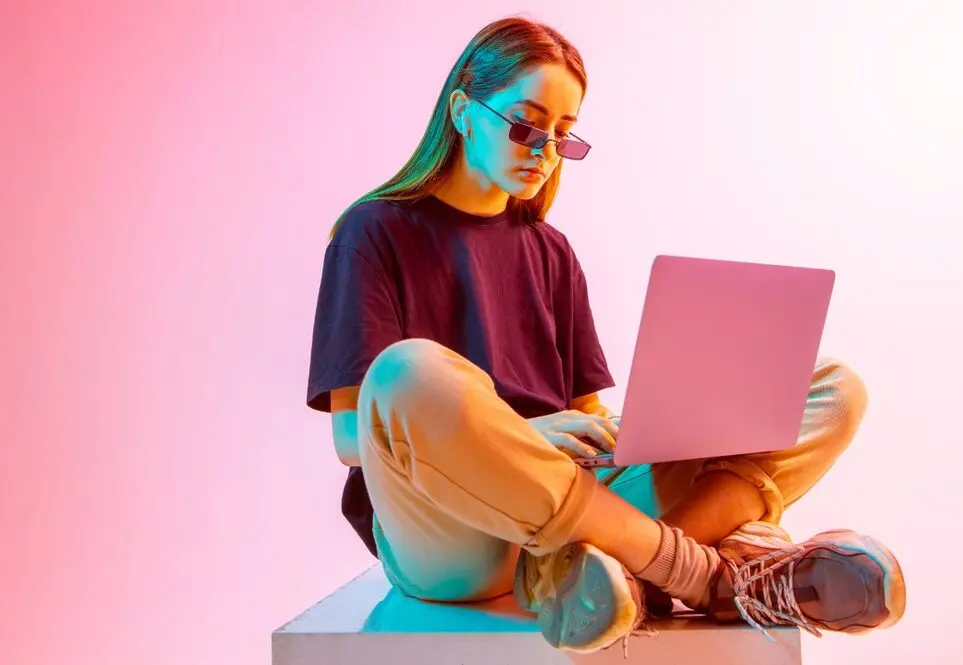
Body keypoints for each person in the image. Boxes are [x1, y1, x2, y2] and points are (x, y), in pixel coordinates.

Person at [305, 15, 906, 654]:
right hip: (452, 530)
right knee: (409, 372)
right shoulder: (371, 233)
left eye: (563, 135)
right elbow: (352, 439)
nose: (543, 149)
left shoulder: (551, 251)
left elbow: (586, 416)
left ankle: (609, 572)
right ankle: (700, 571)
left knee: (833, 387)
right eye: (525, 123)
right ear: (462, 111)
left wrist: (659, 426)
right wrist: (523, 435)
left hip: (577, 512)